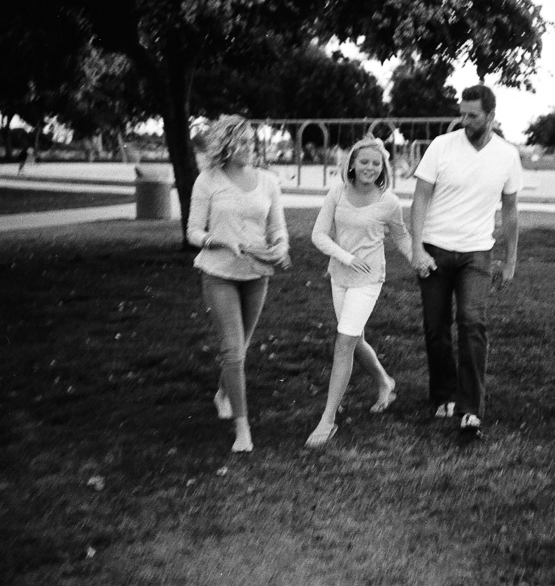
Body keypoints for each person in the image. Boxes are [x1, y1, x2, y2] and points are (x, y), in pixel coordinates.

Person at [410, 84, 523, 438]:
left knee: (473, 323)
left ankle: (470, 407)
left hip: (477, 252)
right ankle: (443, 394)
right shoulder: (442, 146)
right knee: (436, 327)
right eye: (462, 112)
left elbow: (510, 210)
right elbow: (420, 199)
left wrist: (511, 261)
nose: (465, 119)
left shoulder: (508, 155)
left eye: (472, 115)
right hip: (435, 248)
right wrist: (416, 248)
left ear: (491, 116)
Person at [186, 115, 291, 453]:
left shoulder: (268, 181)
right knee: (233, 349)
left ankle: (222, 391)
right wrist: (220, 242)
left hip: (257, 274)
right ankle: (242, 429)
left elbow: (278, 229)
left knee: (240, 349)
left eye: (251, 142)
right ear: (225, 146)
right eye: (241, 142)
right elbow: (193, 232)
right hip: (219, 273)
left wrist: (281, 247)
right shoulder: (207, 181)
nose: (249, 148)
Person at [305, 138, 412, 448]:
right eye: (364, 162)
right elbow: (318, 235)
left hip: (369, 279)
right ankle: (384, 381)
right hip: (339, 275)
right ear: (352, 163)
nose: (370, 167)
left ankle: (327, 420)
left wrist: (419, 260)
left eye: (376, 163)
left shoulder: (389, 201)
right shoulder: (337, 193)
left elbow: (401, 237)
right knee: (356, 340)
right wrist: (346, 257)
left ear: (383, 168)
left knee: (344, 341)